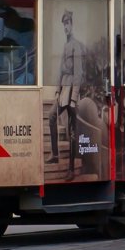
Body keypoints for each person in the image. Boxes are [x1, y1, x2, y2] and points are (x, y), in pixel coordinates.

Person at [47, 9, 84, 180]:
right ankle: (55, 154)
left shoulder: (76, 45)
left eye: (67, 23)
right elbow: (60, 71)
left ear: (72, 24)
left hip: (71, 92)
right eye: (63, 24)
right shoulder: (65, 45)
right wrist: (57, 89)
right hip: (63, 90)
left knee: (72, 131)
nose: (65, 27)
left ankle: (71, 169)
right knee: (52, 116)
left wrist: (74, 97)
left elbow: (78, 73)